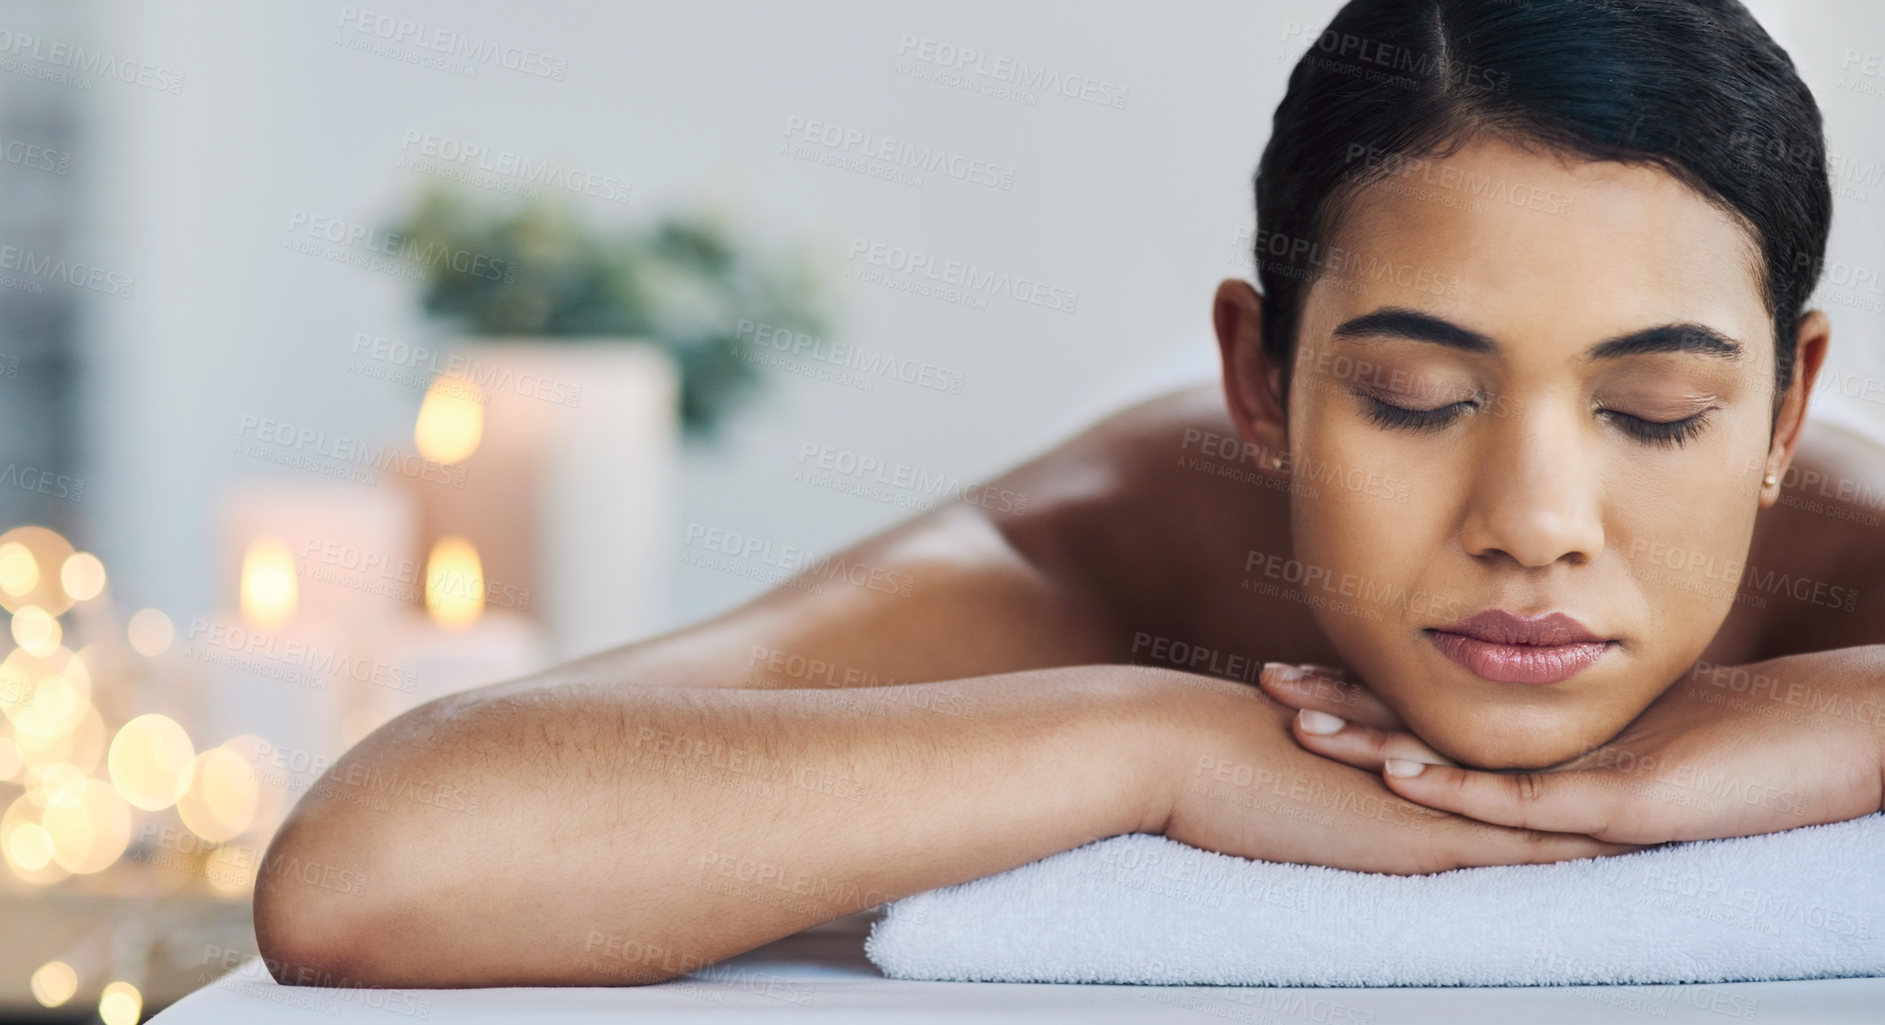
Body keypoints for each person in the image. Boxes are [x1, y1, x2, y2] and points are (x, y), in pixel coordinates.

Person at [254, 0, 1885, 989]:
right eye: (1413, 397)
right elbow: (375, 871)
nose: (1534, 515)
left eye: (1654, 409)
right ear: (1259, 380)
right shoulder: (1092, 558)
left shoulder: (1852, 567)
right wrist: (1156, 746)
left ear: (1786, 403)